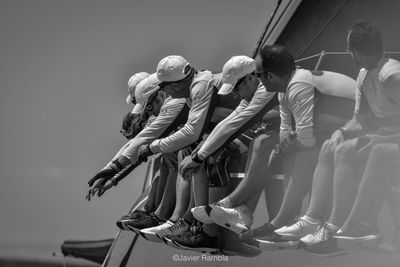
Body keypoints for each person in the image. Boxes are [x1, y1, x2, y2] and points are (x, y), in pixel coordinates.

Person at [285, 20, 400, 256]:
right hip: (386, 136)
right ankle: (317, 220)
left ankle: (355, 226)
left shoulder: (392, 76)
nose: (350, 54)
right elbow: (360, 120)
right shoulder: (363, 75)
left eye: (349, 50)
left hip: (392, 140)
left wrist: (388, 137)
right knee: (333, 146)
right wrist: (342, 131)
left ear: (356, 52)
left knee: (378, 150)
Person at [171, 55, 282, 250]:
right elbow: (229, 121)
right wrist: (201, 151)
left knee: (221, 156)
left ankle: (210, 229)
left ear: (251, 77)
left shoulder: (264, 89)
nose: (236, 96)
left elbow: (237, 122)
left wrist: (199, 156)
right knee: (214, 153)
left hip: (286, 126)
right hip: (271, 126)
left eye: (237, 88)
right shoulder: (251, 92)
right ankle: (208, 221)